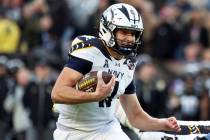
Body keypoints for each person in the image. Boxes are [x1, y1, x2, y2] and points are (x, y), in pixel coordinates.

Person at [51, 3, 181, 140]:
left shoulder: (128, 63)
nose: (130, 38)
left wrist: (161, 123)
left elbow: (135, 116)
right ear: (108, 29)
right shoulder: (91, 51)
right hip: (74, 131)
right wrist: (94, 96)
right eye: (124, 32)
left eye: (133, 34)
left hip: (107, 128)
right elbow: (57, 92)